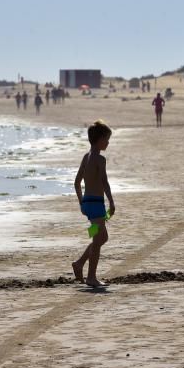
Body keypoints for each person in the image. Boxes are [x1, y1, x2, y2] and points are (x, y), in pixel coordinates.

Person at [72, 120, 115, 288]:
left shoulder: (86, 157)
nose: (108, 142)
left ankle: (79, 263)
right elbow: (104, 182)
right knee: (98, 241)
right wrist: (111, 201)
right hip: (97, 205)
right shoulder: (100, 159)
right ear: (99, 139)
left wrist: (81, 202)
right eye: (107, 139)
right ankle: (91, 277)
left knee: (101, 237)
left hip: (88, 204)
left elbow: (77, 183)